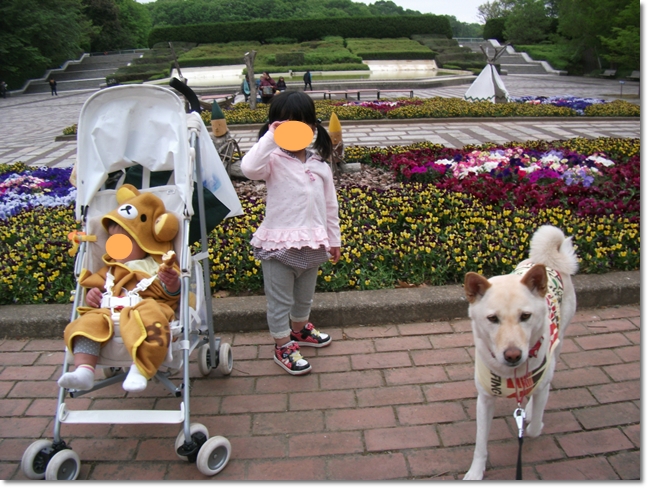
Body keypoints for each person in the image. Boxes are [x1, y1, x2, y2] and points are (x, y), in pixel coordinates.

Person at [240, 91, 341, 375]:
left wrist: (334, 239)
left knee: (304, 297)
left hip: (312, 243)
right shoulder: (271, 160)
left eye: (301, 124)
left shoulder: (319, 164)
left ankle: (299, 330)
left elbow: (330, 205)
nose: (293, 130)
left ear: (312, 127)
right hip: (279, 246)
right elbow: (248, 168)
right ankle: (282, 344)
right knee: (280, 301)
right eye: (285, 125)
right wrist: (271, 137)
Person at [57, 185, 181, 392]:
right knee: (87, 323)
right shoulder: (109, 269)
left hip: (144, 307)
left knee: (153, 319)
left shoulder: (152, 265)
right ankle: (84, 370)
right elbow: (95, 288)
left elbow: (170, 295)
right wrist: (93, 296)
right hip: (109, 311)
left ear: (144, 242)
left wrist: (171, 283)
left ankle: (140, 368)